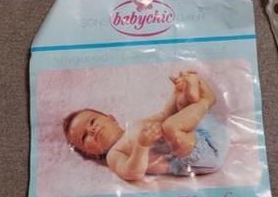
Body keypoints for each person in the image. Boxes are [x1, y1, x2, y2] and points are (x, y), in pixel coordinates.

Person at [63, 72, 229, 181]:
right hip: (200, 157)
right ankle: (207, 100)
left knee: (179, 105)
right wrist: (142, 146)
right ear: (91, 153)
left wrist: (176, 91)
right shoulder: (114, 155)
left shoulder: (136, 125)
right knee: (170, 127)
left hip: (205, 133)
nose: (92, 130)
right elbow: (133, 173)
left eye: (92, 121)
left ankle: (189, 90)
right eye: (84, 136)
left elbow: (164, 114)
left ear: (111, 119)